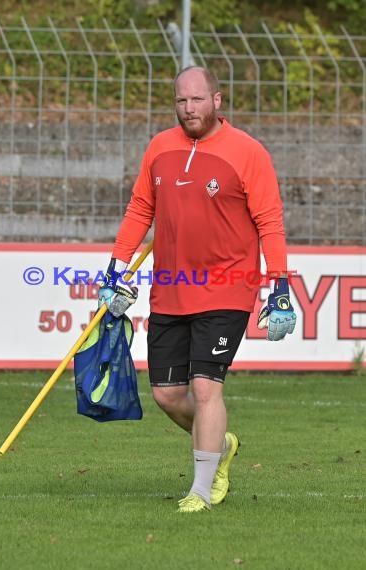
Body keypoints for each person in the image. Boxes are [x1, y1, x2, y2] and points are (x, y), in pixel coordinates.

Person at [98, 66, 296, 513]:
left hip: (228, 287)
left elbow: (270, 223)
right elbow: (139, 210)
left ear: (217, 100)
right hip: (170, 288)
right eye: (181, 101)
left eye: (198, 100)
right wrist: (115, 268)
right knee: (168, 394)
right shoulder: (159, 147)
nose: (189, 109)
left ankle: (202, 489)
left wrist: (279, 286)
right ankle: (220, 444)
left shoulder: (248, 153)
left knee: (207, 388)